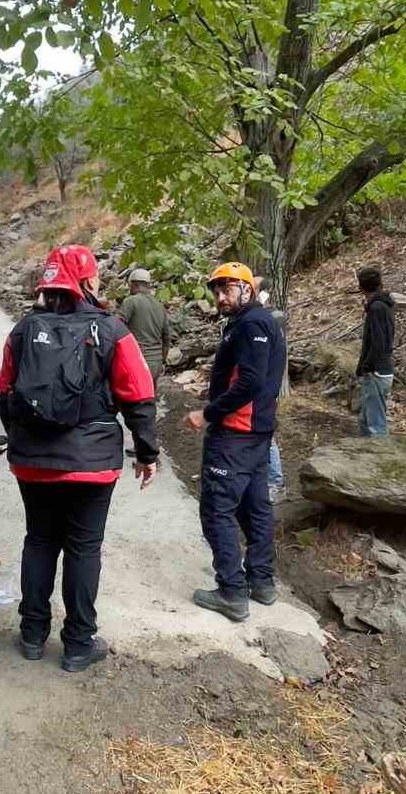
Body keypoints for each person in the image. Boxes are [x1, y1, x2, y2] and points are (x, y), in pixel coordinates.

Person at [0, 244, 158, 672]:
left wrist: (23, 439)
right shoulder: (113, 330)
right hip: (92, 463)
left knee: (40, 540)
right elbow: (139, 396)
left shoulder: (23, 330)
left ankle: (32, 635)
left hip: (33, 463)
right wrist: (146, 453)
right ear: (86, 281)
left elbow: (3, 391)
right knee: (84, 548)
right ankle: (78, 645)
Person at [184, 261, 286, 622]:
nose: (220, 296)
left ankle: (231, 591)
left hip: (236, 436)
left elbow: (250, 383)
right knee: (254, 507)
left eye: (227, 289)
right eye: (216, 290)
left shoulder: (252, 324)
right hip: (256, 435)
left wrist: (208, 412)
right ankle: (261, 582)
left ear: (247, 289)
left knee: (217, 510)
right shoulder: (250, 322)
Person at [255, 278, 286, 503]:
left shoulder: (271, 320)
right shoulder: (263, 319)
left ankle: (276, 482)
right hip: (260, 391)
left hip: (265, 392)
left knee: (268, 436)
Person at [356, 265, 395, 437]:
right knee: (365, 421)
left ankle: (379, 460)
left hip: (377, 372)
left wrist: (368, 367)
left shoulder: (378, 308)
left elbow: (379, 343)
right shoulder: (381, 306)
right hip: (380, 370)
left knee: (375, 426)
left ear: (361, 287)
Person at [120, 268, 170, 384]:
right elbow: (167, 338)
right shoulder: (160, 306)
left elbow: (117, 327)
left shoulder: (130, 301)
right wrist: (161, 360)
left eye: (130, 286)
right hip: (156, 364)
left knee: (132, 400)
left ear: (134, 284)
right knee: (150, 398)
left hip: (137, 361)